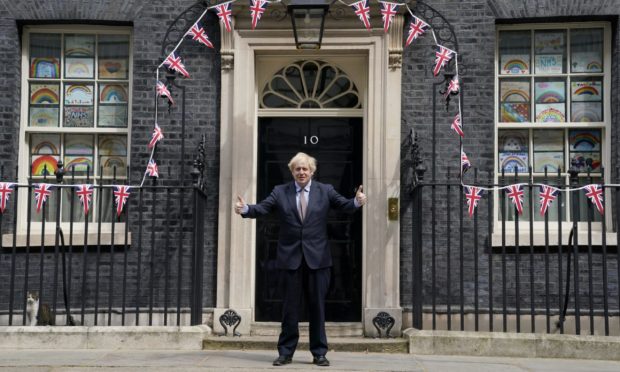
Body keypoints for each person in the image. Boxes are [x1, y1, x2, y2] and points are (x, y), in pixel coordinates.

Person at [234, 152, 367, 367]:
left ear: (312, 171)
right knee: (290, 309)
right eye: (297, 169)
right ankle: (285, 352)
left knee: (317, 308)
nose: (301, 172)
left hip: (318, 260)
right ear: (292, 171)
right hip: (290, 260)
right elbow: (263, 208)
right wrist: (246, 209)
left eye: (305, 169)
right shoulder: (280, 192)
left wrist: (357, 201)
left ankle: (319, 353)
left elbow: (344, 205)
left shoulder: (325, 191)